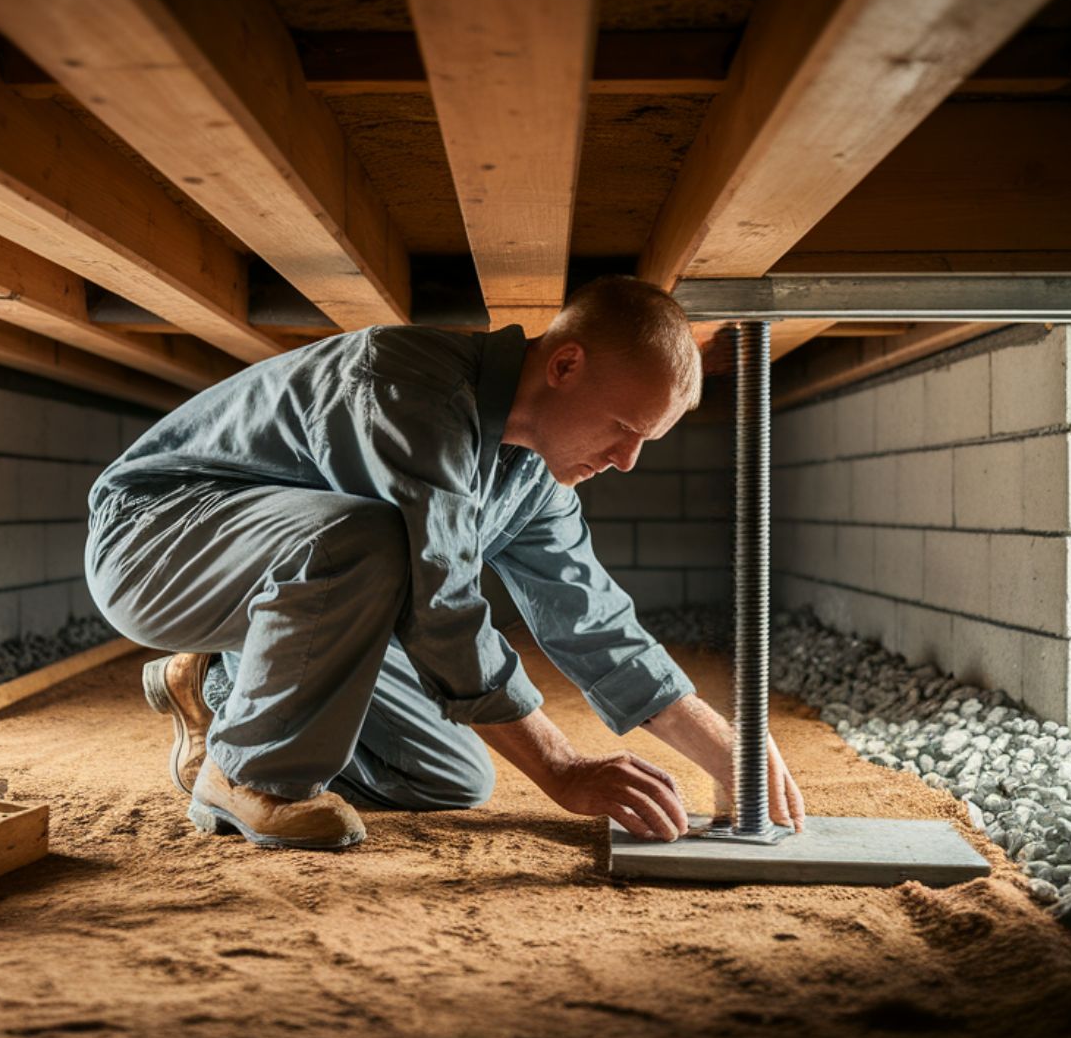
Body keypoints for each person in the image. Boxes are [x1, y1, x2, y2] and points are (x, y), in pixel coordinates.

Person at [85, 276, 805, 849]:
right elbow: (444, 610)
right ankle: (250, 773)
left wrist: (727, 750)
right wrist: (560, 768)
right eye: (622, 429)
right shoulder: (405, 388)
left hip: (281, 575)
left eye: (644, 442)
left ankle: (219, 683)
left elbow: (592, 619)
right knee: (365, 536)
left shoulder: (533, 474)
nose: (624, 461)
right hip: (156, 541)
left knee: (449, 776)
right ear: (565, 364)